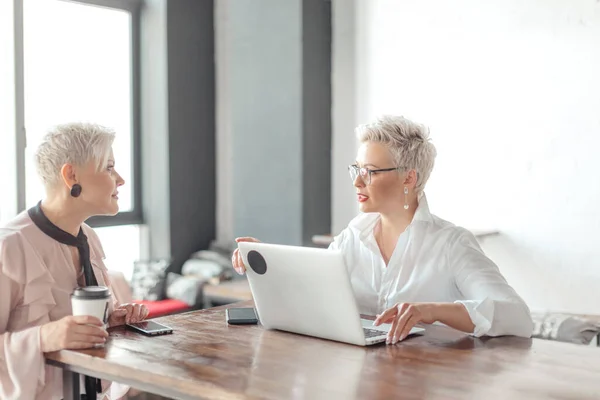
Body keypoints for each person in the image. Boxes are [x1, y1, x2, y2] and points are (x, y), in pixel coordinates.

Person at [231, 115, 533, 344]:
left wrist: (433, 311)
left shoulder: (451, 244)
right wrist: (267, 264)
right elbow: (309, 300)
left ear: (408, 178)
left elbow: (516, 316)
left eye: (370, 172)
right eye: (356, 170)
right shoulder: (351, 238)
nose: (357, 182)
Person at [0, 122, 149, 399]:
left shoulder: (89, 237)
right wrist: (44, 338)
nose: (120, 179)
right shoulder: (8, 246)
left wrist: (109, 320)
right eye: (109, 166)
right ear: (71, 175)